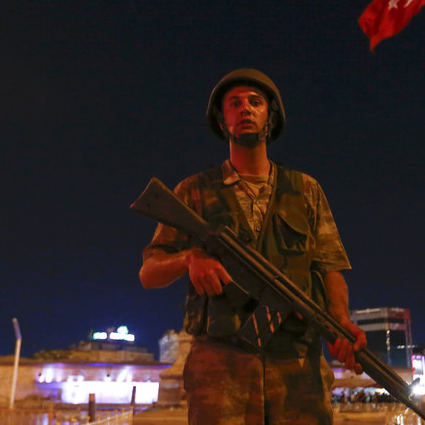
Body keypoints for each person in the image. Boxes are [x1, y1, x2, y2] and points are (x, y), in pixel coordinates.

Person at [140, 68, 367, 425]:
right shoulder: (193, 191)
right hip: (220, 366)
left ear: (270, 117)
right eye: (234, 103)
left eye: (255, 102)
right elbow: (149, 272)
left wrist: (340, 322)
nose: (245, 108)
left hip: (297, 364)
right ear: (222, 119)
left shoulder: (305, 190)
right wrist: (190, 259)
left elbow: (329, 267)